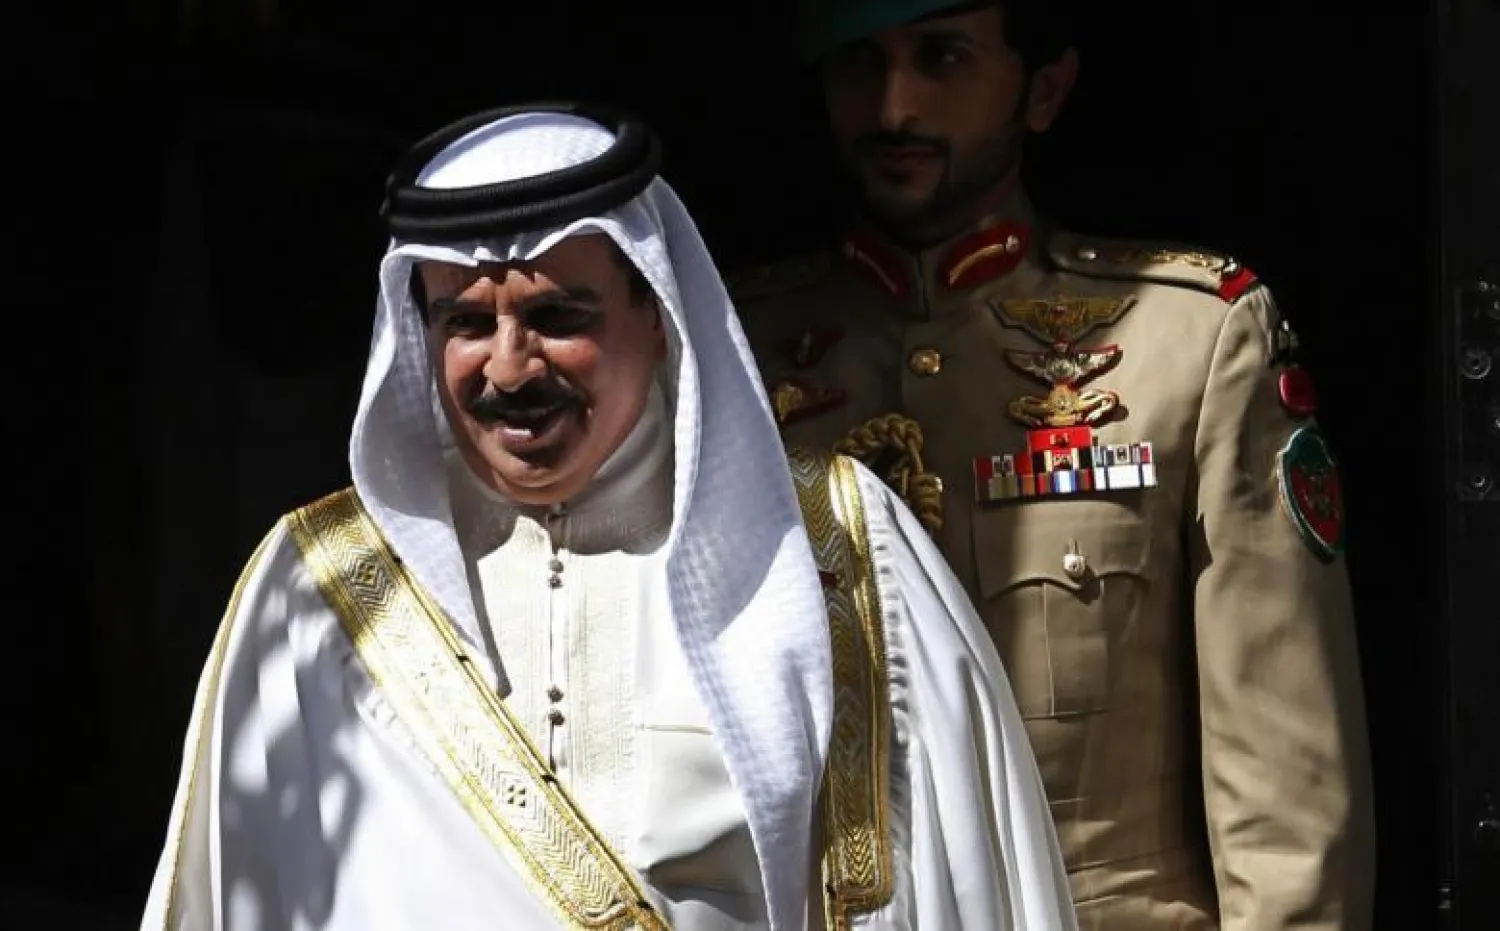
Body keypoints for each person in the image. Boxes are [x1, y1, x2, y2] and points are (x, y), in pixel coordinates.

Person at [139, 103, 1079, 931]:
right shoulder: (320, 592)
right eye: (465, 323)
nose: (508, 368)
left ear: (659, 310)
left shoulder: (838, 547)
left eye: (557, 315)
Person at [730, 2, 1375, 928]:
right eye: (858, 63)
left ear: (1045, 88)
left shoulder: (1188, 337)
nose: (894, 104)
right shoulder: (731, 353)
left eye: (941, 56)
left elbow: (1288, 813)